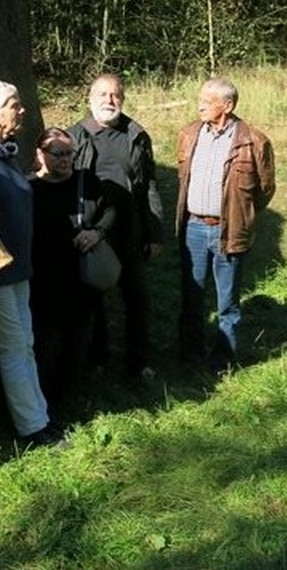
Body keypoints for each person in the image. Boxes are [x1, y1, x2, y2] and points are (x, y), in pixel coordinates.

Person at [0, 81, 63, 447]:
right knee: (13, 347)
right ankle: (32, 428)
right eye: (13, 104)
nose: (21, 111)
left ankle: (40, 416)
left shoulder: (4, 152)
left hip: (19, 268)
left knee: (25, 343)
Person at [175, 77, 275, 370]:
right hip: (193, 227)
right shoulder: (189, 133)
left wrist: (241, 214)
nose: (200, 106)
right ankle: (189, 358)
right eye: (200, 100)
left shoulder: (254, 141)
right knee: (191, 297)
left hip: (228, 230)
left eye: (207, 101)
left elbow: (265, 189)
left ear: (227, 106)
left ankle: (224, 361)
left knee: (227, 302)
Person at [69, 73, 163, 380]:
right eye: (103, 95)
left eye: (115, 95)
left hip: (130, 234)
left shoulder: (136, 134)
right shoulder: (75, 136)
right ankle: (97, 358)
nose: (110, 101)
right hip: (93, 236)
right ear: (90, 98)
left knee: (139, 300)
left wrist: (155, 231)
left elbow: (148, 184)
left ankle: (139, 362)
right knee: (92, 301)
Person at [29, 126, 116, 408]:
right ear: (40, 154)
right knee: (45, 345)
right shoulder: (29, 188)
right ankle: (44, 402)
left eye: (69, 153)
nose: (65, 159)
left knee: (78, 342)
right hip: (43, 282)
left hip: (80, 280)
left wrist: (97, 232)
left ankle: (68, 397)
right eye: (57, 154)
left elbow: (111, 210)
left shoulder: (86, 182)